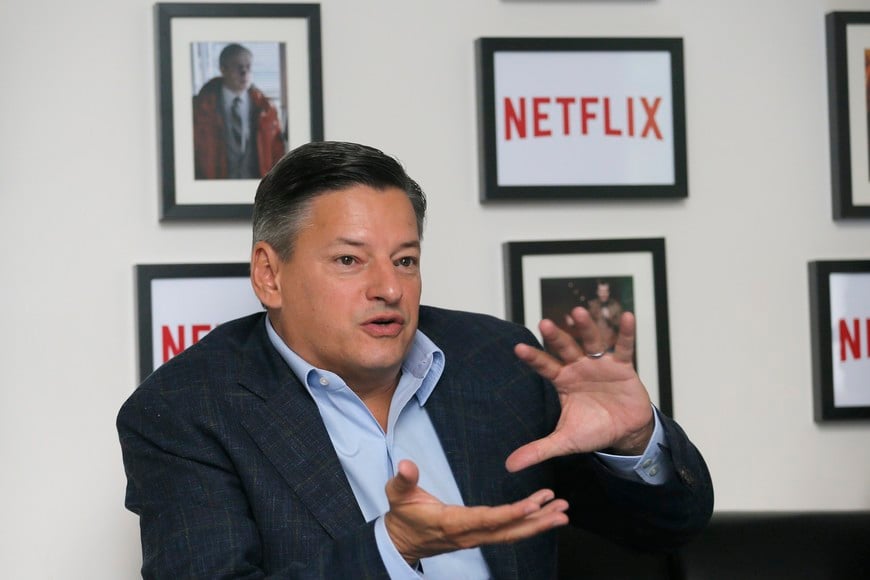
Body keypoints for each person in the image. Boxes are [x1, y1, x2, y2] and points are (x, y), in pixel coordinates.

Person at [117, 141, 713, 578]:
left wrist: (634, 444)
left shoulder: (499, 362)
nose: (389, 289)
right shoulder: (186, 411)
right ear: (270, 275)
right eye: (349, 261)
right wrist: (392, 547)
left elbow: (667, 531)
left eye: (405, 260)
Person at [192, 43, 285, 180]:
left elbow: (278, 154)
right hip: (214, 187)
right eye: (238, 67)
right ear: (223, 69)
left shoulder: (267, 110)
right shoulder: (200, 108)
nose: (244, 72)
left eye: (248, 67)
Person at [585, 279, 624, 352]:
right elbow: (586, 323)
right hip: (596, 345)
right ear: (597, 292)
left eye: (605, 291)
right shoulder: (592, 305)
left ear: (609, 292)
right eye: (601, 291)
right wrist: (574, 323)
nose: (603, 294)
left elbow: (620, 326)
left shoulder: (616, 306)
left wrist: (610, 318)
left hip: (611, 346)